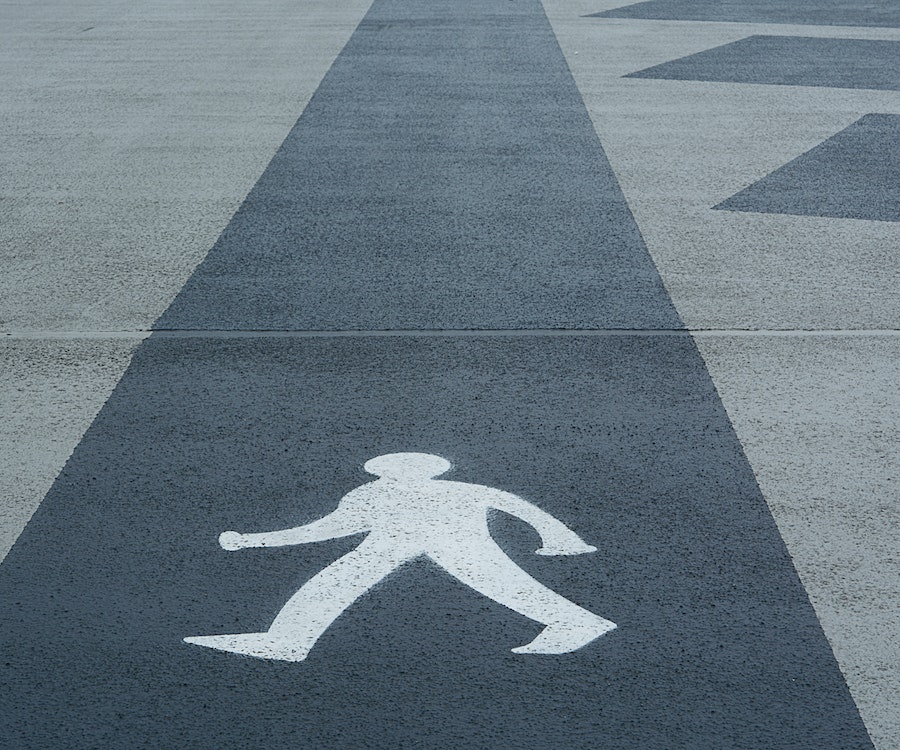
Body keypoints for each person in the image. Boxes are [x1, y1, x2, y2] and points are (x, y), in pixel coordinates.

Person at [185, 452, 616, 661]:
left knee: (500, 581)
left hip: (450, 541)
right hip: (394, 544)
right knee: (336, 580)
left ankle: (579, 622)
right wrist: (254, 540)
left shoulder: (398, 493)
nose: (397, 475)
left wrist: (559, 537)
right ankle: (286, 641)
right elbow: (327, 528)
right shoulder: (373, 495)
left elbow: (516, 506)